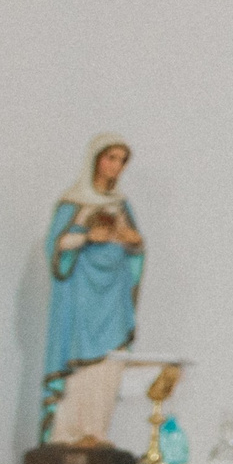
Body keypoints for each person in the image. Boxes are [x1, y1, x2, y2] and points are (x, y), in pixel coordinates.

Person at [42, 133, 146, 447]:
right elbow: (55, 247)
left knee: (110, 361)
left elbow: (135, 249)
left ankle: (96, 430)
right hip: (82, 295)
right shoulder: (74, 202)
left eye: (121, 160)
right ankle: (68, 432)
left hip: (112, 294)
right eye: (110, 157)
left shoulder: (122, 205)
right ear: (95, 159)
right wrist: (88, 236)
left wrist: (131, 240)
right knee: (78, 358)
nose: (116, 166)